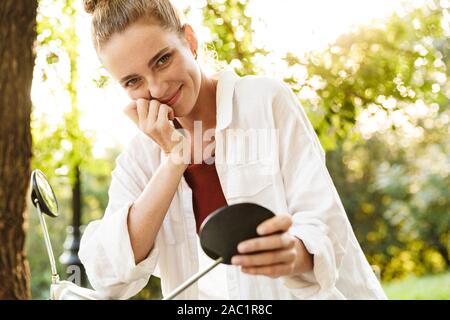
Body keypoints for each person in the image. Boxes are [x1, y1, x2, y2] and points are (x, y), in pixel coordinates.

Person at [79, 0, 387, 300]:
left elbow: (324, 222)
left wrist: (292, 252)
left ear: (189, 39)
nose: (157, 89)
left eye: (162, 60)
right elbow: (108, 276)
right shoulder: (140, 157)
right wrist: (173, 162)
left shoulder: (265, 100)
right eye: (134, 81)